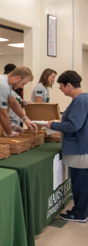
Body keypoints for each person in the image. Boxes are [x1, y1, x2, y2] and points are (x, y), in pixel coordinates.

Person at [47, 71, 88, 223]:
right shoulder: (83, 99)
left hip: (80, 149)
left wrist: (53, 124)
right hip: (82, 147)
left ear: (69, 85)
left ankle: (80, 214)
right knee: (82, 183)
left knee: (80, 184)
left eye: (61, 87)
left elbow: (73, 125)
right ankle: (82, 210)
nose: (62, 91)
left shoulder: (80, 100)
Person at [4, 64, 28, 133]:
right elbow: (1, 113)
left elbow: (14, 102)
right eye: (23, 83)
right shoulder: (4, 88)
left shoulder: (11, 89)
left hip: (15, 123)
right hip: (7, 125)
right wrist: (10, 125)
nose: (22, 87)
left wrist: (21, 102)